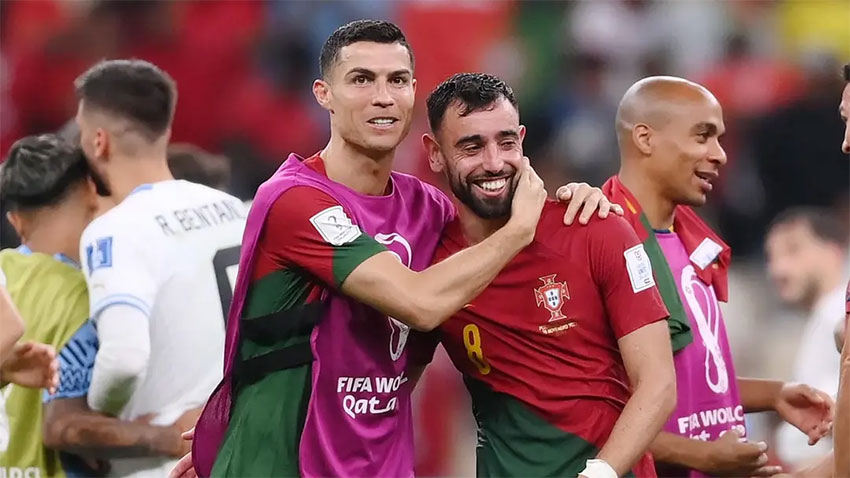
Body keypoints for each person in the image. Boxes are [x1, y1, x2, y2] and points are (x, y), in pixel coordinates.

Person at [181, 20, 616, 478]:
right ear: (324, 94)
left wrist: (577, 201)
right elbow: (420, 304)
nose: (383, 97)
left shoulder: (429, 209)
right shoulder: (294, 201)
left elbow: (493, 255)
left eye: (397, 80)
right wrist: (520, 228)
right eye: (362, 79)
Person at [417, 72, 678, 477]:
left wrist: (599, 474)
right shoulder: (431, 263)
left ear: (522, 140)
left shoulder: (595, 229)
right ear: (435, 154)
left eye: (506, 142)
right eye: (472, 146)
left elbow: (658, 384)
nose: (494, 162)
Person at [602, 76, 834, 478]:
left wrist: (774, 395)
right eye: (702, 136)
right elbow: (585, 414)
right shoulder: (599, 243)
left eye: (720, 139)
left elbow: (694, 379)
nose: (720, 155)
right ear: (645, 138)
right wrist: (704, 456)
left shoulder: (691, 238)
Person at [73, 59, 247, 477]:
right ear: (165, 132)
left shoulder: (114, 231)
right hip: (242, 450)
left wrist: (102, 417)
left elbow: (123, 359)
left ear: (98, 141)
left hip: (163, 465)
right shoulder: (233, 210)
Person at [0, 134, 185, 476]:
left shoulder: (3, 276)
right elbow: (68, 427)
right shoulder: (97, 294)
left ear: (16, 221)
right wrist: (170, 438)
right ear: (91, 192)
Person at [766, 208, 848, 468]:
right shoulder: (821, 318)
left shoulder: (839, 319)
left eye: (793, 251)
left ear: (833, 251)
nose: (778, 269)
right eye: (771, 257)